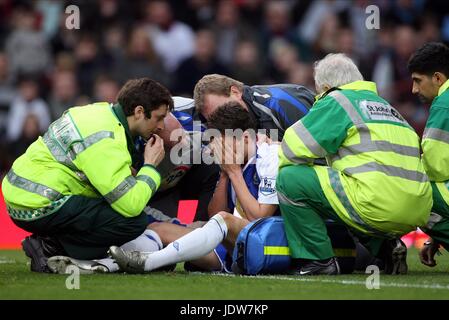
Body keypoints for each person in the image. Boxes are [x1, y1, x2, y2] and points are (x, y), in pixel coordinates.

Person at [275, 53, 432, 275]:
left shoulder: (338, 100)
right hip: (418, 209)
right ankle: (386, 248)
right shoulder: (389, 107)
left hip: (376, 203)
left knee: (290, 178)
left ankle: (319, 261)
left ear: (327, 87)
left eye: (319, 91)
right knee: (349, 185)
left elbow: (291, 149)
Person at [1, 78, 172, 273]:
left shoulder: (98, 112)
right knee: (133, 222)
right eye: (159, 117)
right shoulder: (106, 139)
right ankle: (50, 247)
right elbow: (131, 204)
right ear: (139, 112)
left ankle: (49, 242)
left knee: (108, 206)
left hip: (19, 192)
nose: (161, 126)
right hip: (41, 202)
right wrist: (150, 165)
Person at [108, 102, 282, 273]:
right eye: (216, 145)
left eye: (223, 145)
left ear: (245, 138)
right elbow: (214, 217)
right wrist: (224, 175)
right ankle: (107, 263)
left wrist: (234, 173)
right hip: (235, 245)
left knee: (224, 219)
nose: (218, 151)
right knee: (157, 229)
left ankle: (149, 262)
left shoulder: (270, 156)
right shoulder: (234, 163)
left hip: (271, 246)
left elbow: (259, 219)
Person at [407, 42, 449, 267]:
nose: (414, 89)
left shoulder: (444, 104)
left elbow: (435, 167)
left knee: (412, 193)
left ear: (437, 78)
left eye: (417, 80)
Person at [193, 74, 315, 141]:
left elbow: (318, 148)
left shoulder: (280, 103)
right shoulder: (225, 130)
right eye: (212, 120)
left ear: (235, 92)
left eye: (220, 111)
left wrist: (276, 149)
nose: (219, 121)